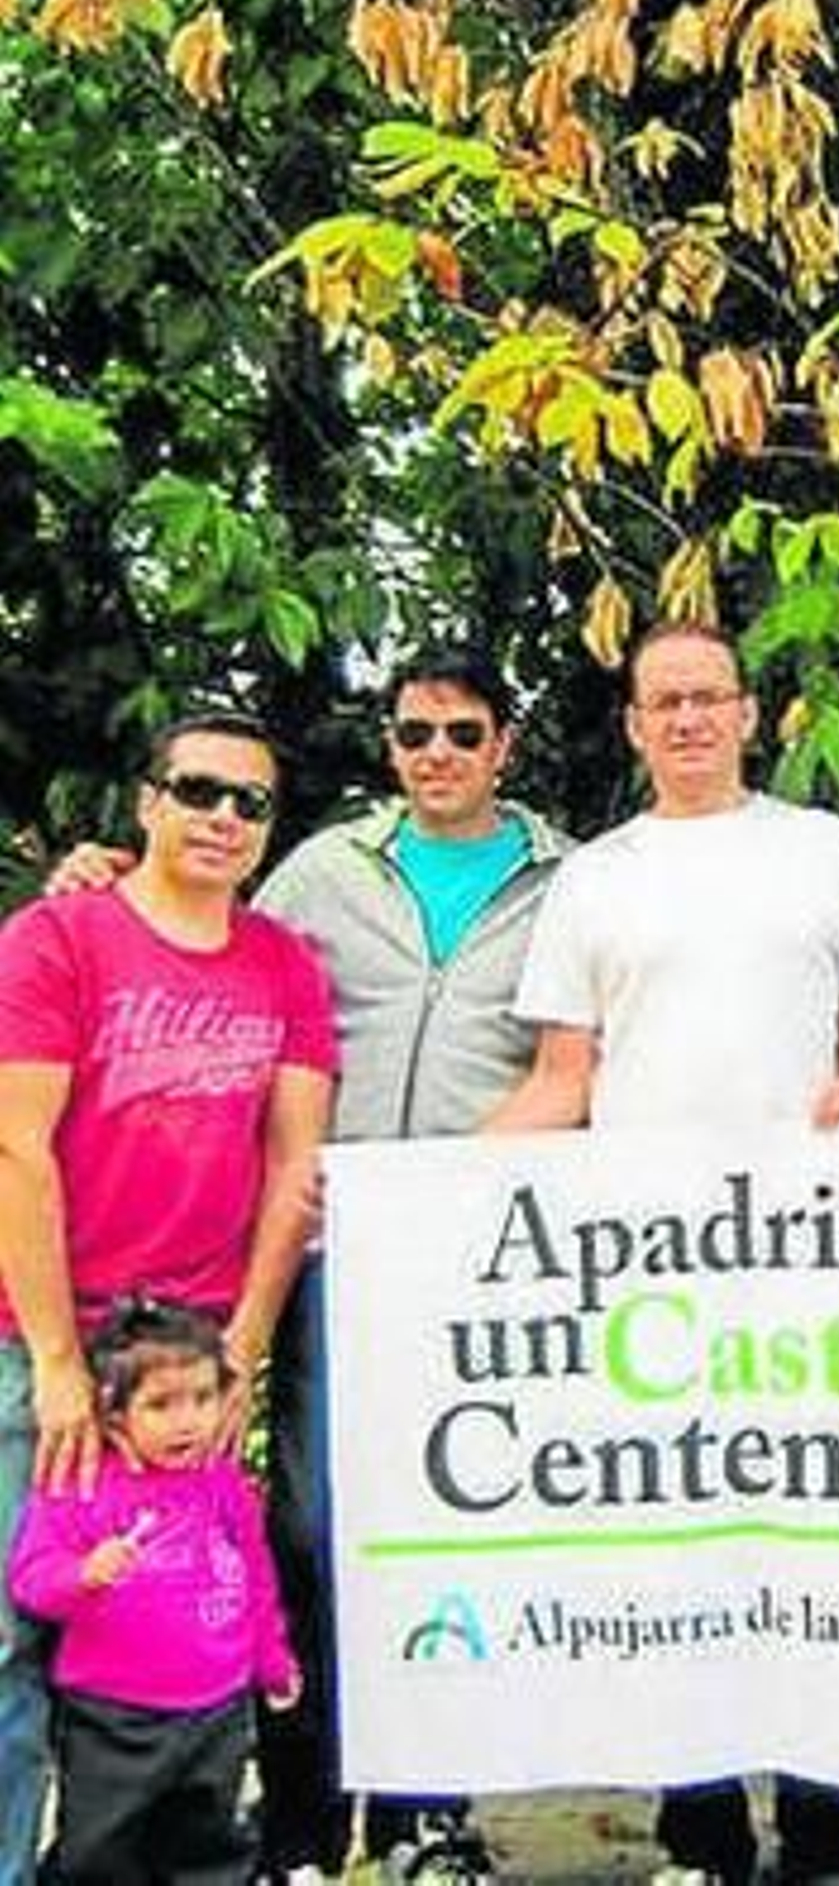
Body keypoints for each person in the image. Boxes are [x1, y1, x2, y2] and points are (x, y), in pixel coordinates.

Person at [45, 648, 570, 1884]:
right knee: (313, 1523)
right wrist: (105, 874)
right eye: (412, 732)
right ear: (389, 747)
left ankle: (425, 1821)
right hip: (333, 1247)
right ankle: (298, 1821)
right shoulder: (325, 867)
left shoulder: (570, 879)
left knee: (455, 1528)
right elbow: (197, 923)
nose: (435, 752)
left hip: (488, 1260)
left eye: (461, 731)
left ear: (504, 744)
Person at [486, 618, 839, 1886]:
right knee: (680, 1532)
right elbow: (566, 1072)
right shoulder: (594, 876)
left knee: (826, 1521)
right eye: (662, 701)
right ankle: (702, 1831)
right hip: (648, 1256)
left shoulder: (821, 848)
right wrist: (420, 1184)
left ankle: (836, 1829)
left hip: (816, 1246)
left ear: (747, 711)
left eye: (707, 697)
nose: (687, 719)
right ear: (632, 723)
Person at [0, 710, 335, 1886]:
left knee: (171, 1623)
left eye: (251, 802)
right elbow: (15, 1149)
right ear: (147, 801)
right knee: (12, 1637)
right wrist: (52, 1358)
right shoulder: (55, 938)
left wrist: (241, 1339)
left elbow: (298, 1165)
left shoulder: (284, 961)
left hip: (189, 1353)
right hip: (37, 1335)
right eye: (199, 789)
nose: (224, 817)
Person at [9, 1299, 299, 1884]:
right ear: (114, 1418)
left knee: (211, 1847)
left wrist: (271, 1658)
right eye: (162, 1405)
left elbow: (255, 1575)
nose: (188, 1420)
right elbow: (29, 1583)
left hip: (217, 1711)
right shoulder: (79, 1488)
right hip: (113, 1720)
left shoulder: (223, 1484)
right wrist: (82, 1575)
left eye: (202, 1398)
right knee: (101, 1853)